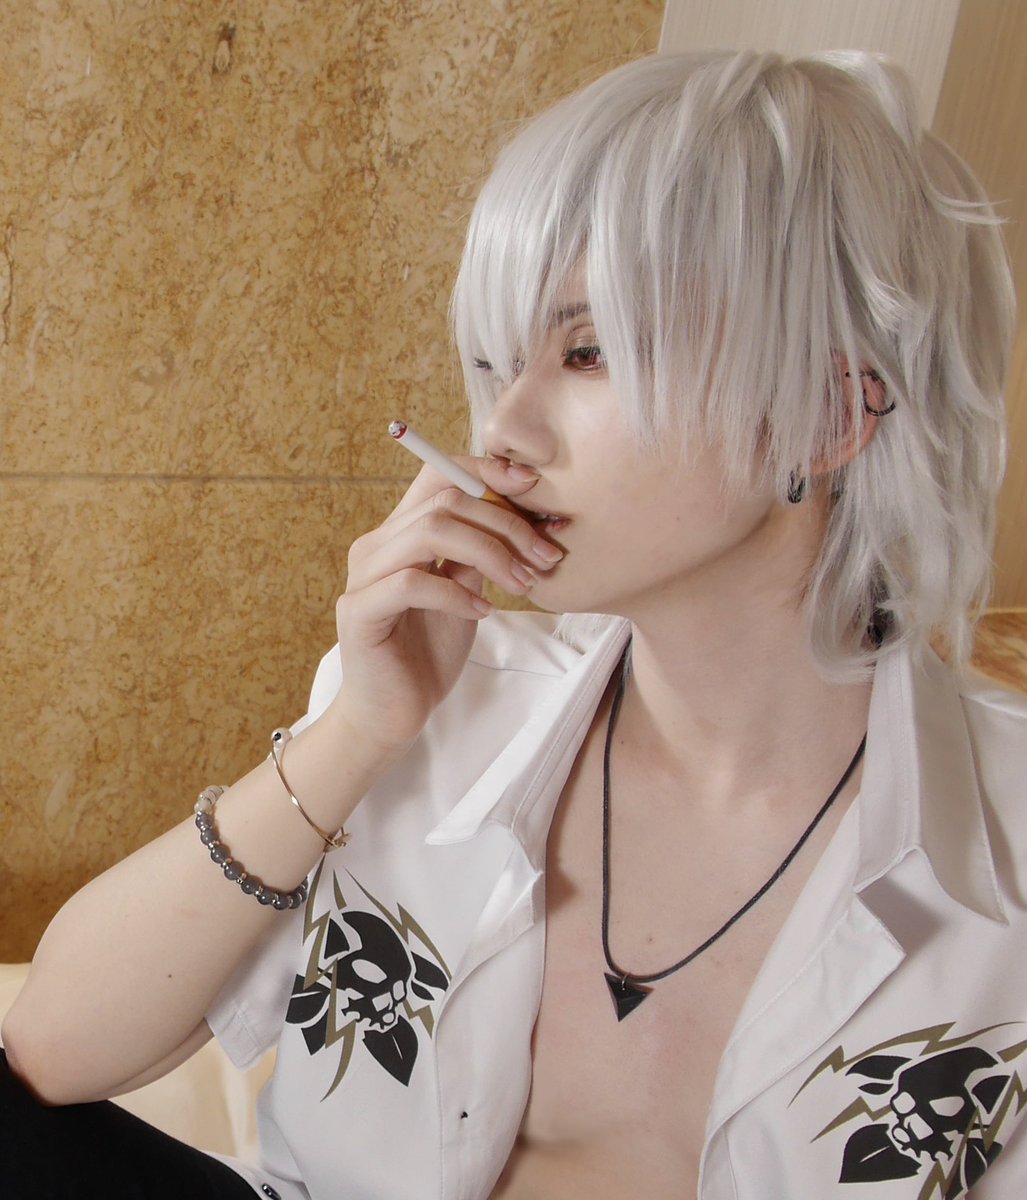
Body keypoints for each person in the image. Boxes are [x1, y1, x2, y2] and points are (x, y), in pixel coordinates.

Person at [2, 47, 1024, 1200]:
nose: (501, 432)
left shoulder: (1002, 846)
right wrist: (355, 735)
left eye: (586, 352)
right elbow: (46, 1057)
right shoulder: (447, 701)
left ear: (826, 412)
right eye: (498, 363)